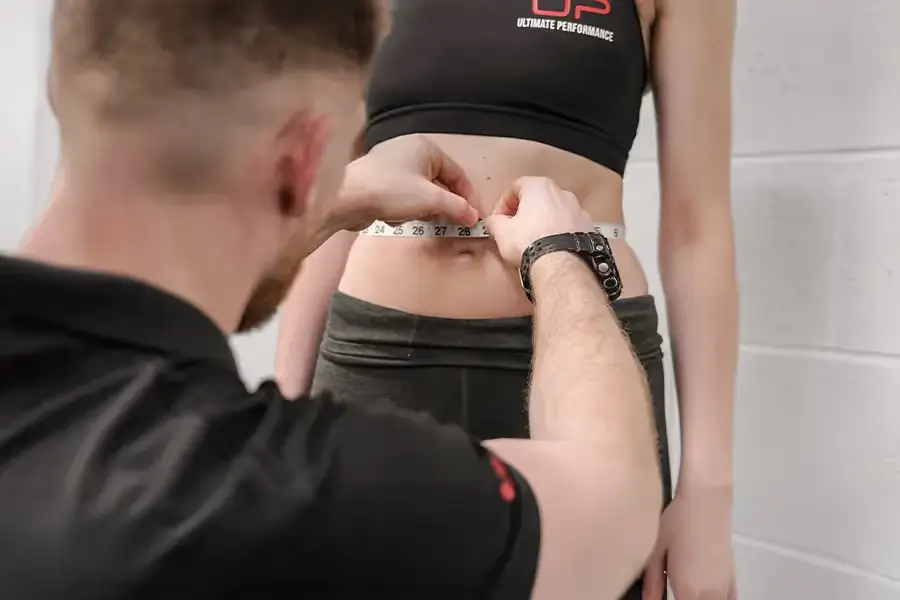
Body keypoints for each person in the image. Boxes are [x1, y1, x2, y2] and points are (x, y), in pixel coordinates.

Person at [0, 1, 662, 598]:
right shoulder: (291, 498)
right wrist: (561, 259)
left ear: (58, 88)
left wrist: (327, 198)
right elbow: (613, 502)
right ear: (305, 160)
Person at [276, 1, 739, 599]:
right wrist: (283, 417)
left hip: (584, 371)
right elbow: (337, 196)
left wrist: (709, 490)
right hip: (377, 356)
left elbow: (697, 226)